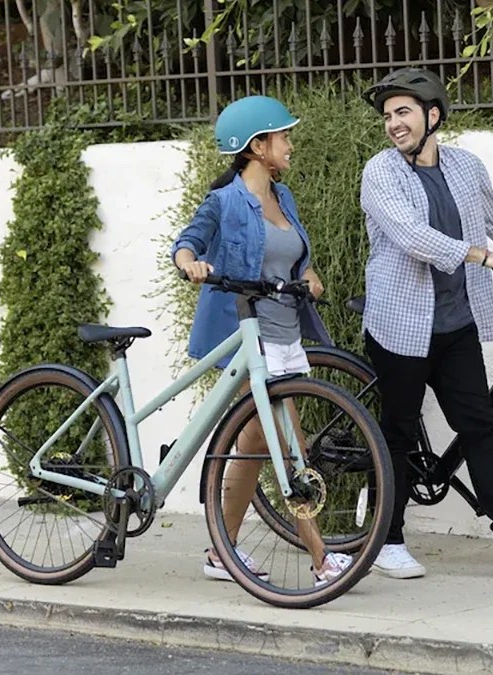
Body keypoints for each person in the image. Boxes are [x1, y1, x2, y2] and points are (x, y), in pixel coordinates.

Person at [357, 67, 493, 579]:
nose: (393, 123)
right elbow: (412, 236)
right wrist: (480, 255)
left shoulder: (465, 166)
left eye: (404, 112)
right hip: (400, 322)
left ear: (433, 115)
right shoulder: (382, 173)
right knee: (398, 432)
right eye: (389, 115)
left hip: (455, 322)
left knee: (478, 426)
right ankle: (385, 542)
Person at [170, 95, 351, 587]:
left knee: (251, 448)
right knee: (290, 449)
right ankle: (321, 561)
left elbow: (293, 255)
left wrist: (308, 273)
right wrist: (190, 263)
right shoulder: (224, 201)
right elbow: (188, 239)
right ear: (256, 146)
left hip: (286, 335)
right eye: (283, 137)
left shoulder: (282, 197)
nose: (290, 144)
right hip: (247, 339)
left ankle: (219, 553)